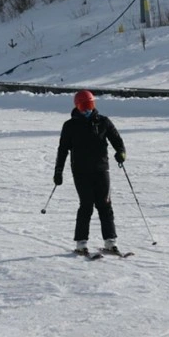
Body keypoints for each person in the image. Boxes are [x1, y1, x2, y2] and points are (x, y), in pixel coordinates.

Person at [53, 90, 126, 257]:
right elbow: (63, 150)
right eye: (84, 106)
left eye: (90, 105)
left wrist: (121, 153)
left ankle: (110, 242)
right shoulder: (70, 126)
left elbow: (117, 141)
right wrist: (59, 171)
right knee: (86, 205)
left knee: (105, 205)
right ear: (77, 106)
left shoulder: (103, 122)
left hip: (101, 169)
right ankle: (81, 243)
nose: (87, 109)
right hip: (81, 171)